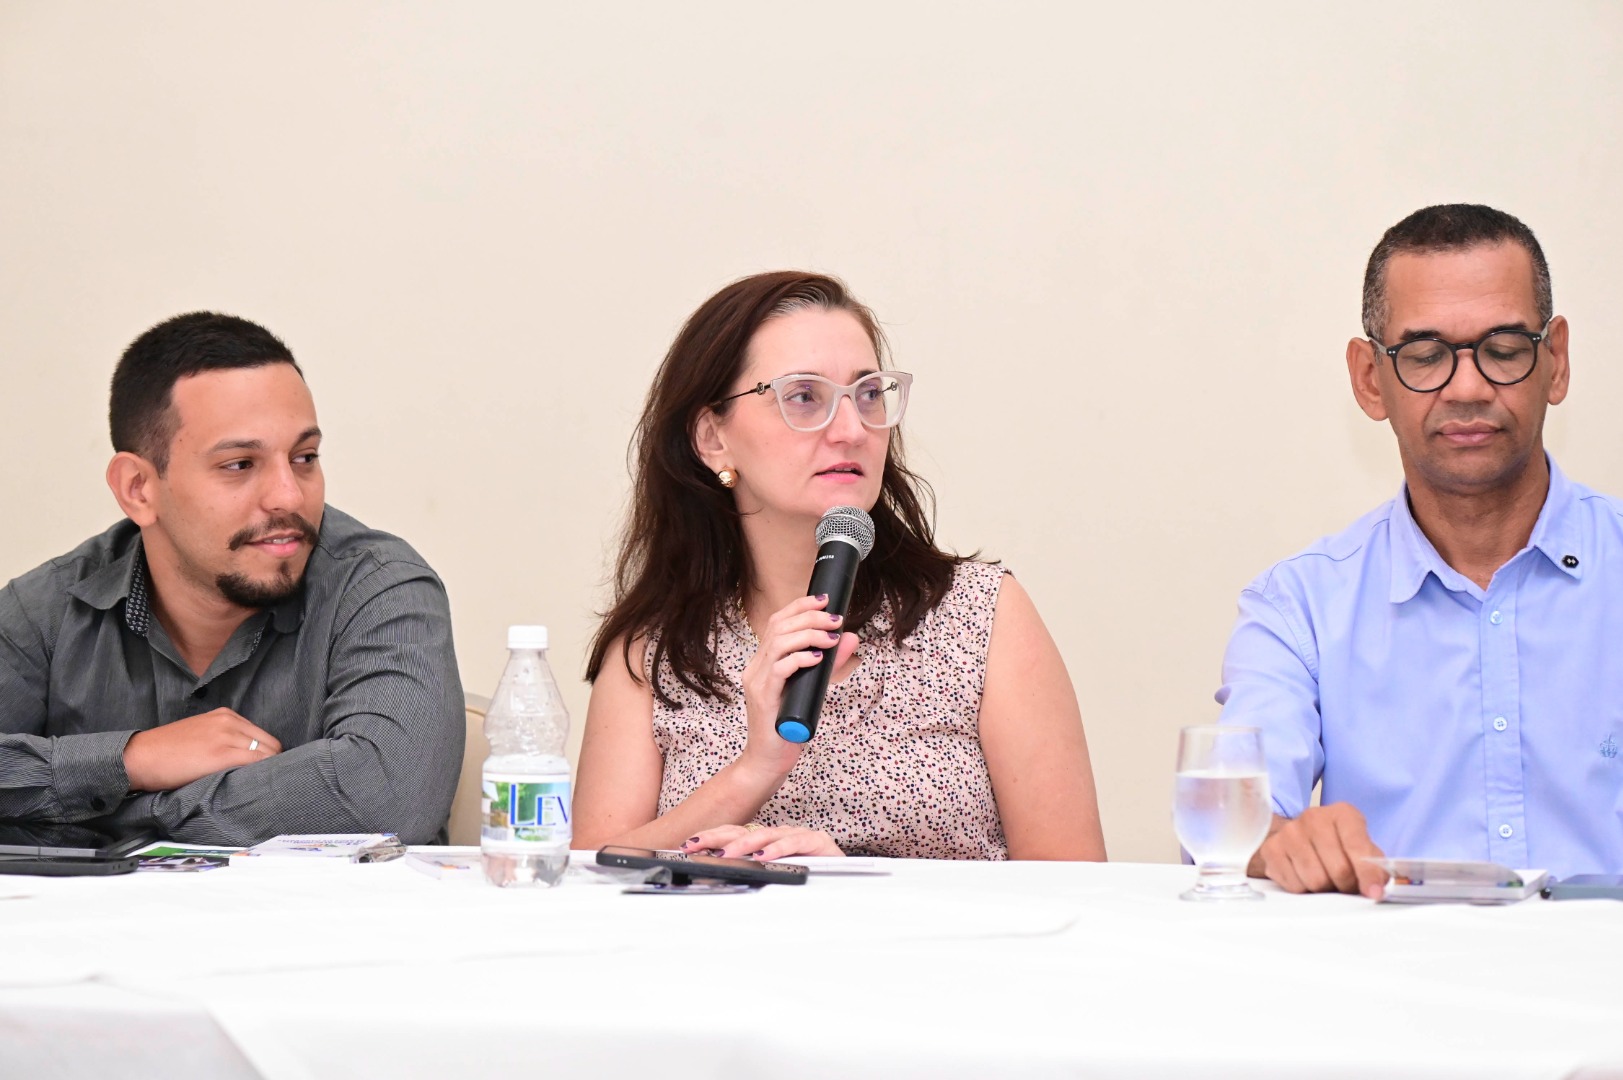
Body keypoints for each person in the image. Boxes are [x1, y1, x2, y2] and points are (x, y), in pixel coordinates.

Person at [574, 271, 1105, 861]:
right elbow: (583, 880)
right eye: (804, 396)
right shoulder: (653, 650)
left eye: (868, 395)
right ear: (712, 437)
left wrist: (857, 885)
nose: (852, 430)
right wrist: (755, 769)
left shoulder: (981, 615)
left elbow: (1076, 888)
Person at [1217, 203, 1621, 895]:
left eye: (1502, 348)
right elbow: (1232, 820)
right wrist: (1280, 842)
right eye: (1426, 355)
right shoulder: (1299, 608)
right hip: (1396, 962)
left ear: (1554, 362)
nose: (1467, 388)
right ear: (1368, 379)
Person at [0, 313, 464, 845]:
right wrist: (134, 759)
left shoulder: (381, 589)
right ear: (138, 489)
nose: (289, 495)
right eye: (240, 464)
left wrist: (112, 811)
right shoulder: (48, 611)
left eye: (304, 457)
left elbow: (388, 801)